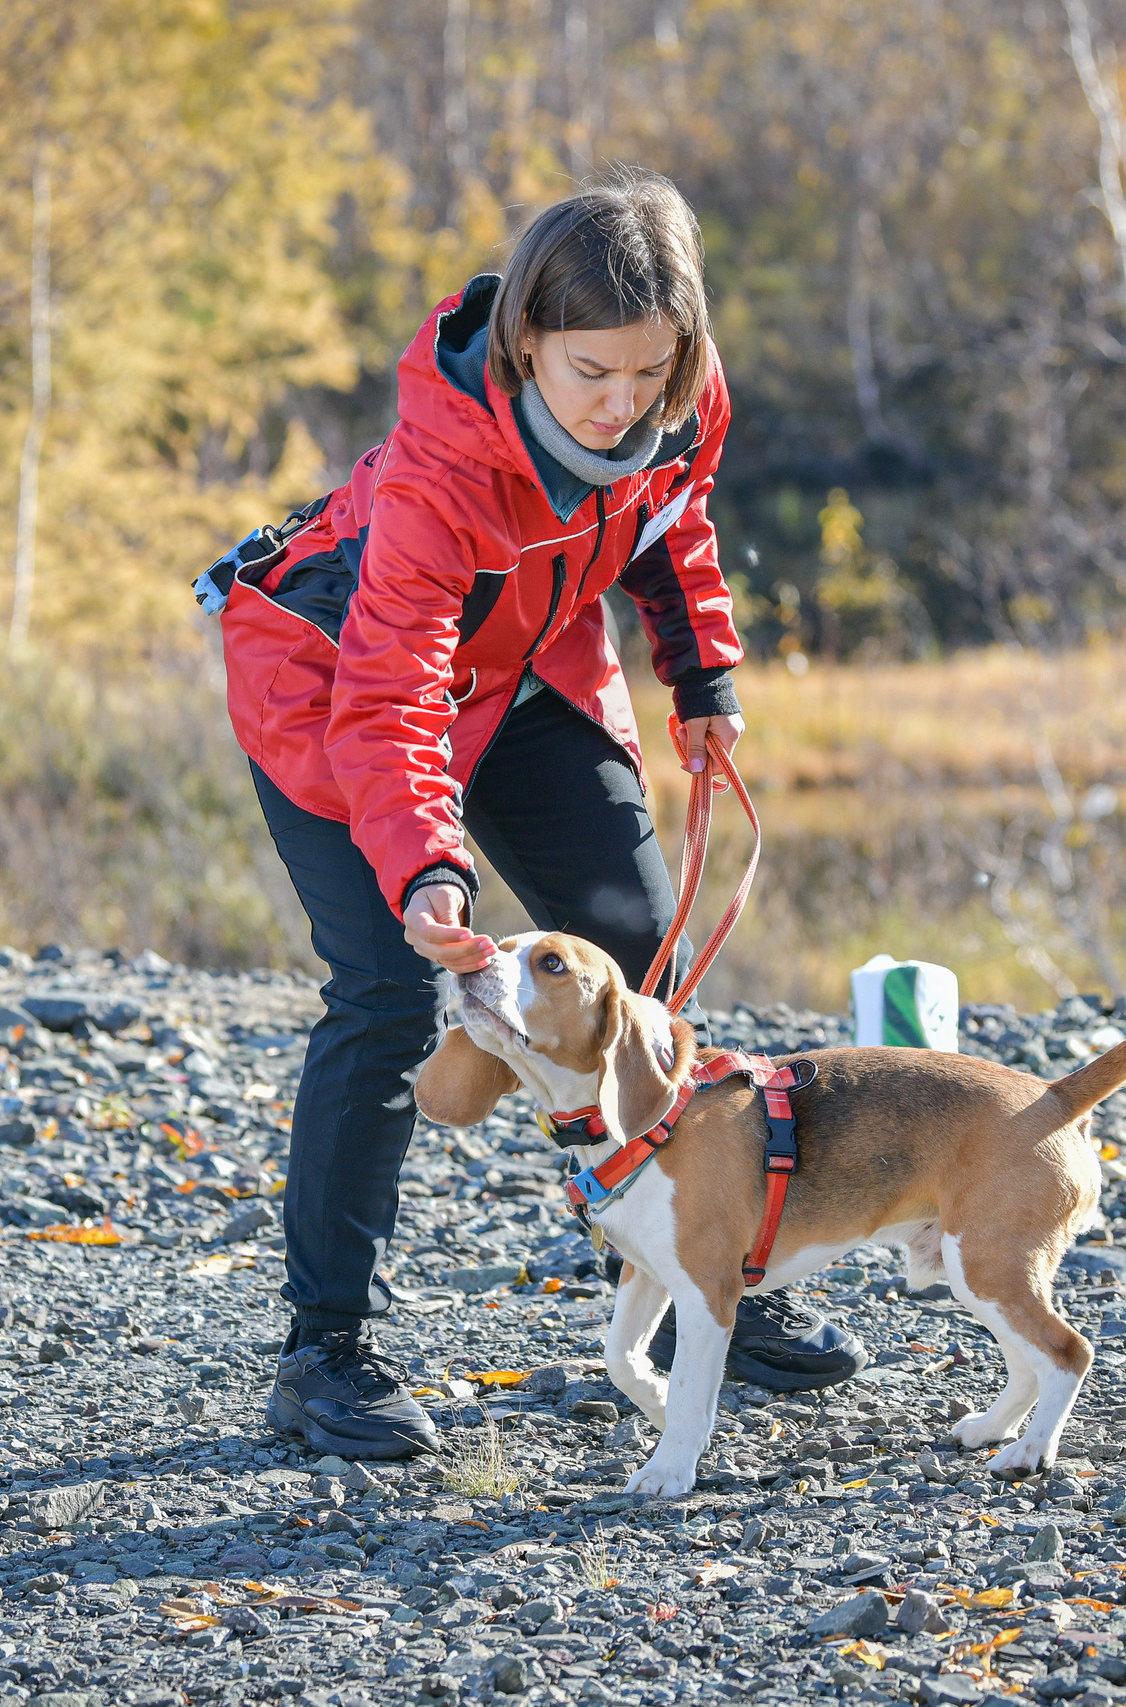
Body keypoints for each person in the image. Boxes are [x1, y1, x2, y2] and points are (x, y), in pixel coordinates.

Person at [211, 169, 868, 1460]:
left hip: (518, 671)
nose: (626, 404)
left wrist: (705, 679)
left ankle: (700, 1281)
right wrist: (429, 872)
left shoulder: (681, 397)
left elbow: (672, 522)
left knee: (635, 939)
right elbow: (390, 693)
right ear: (524, 348)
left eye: (651, 373)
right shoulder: (438, 476)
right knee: (387, 996)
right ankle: (325, 1349)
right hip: (333, 689)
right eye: (592, 377)